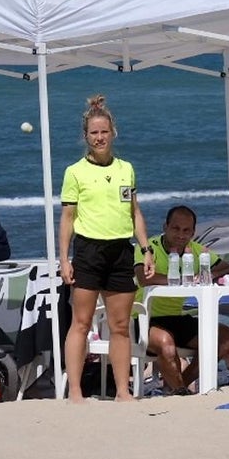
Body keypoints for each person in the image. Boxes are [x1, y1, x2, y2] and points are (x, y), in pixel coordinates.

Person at [59, 94, 152, 402]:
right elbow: (68, 218)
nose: (99, 137)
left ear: (114, 133)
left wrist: (146, 247)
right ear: (85, 137)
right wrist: (64, 259)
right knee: (81, 323)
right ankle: (75, 390)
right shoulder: (75, 172)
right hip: (88, 252)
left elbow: (134, 212)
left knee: (121, 325)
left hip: (121, 252)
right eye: (93, 133)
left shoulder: (126, 169)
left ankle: (123, 391)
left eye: (104, 131)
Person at [134, 204, 229, 395]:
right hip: (145, 318)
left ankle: (178, 387)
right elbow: (143, 277)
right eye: (176, 228)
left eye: (186, 230)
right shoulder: (150, 248)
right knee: (166, 343)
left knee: (225, 337)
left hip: (177, 318)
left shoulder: (197, 251)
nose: (181, 235)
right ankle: (180, 389)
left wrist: (206, 274)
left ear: (192, 232)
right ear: (165, 227)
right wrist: (181, 280)